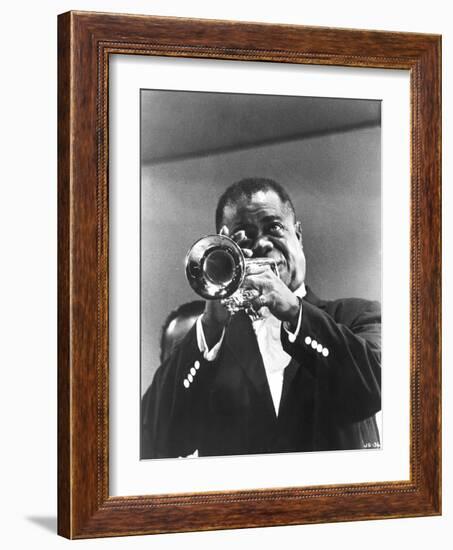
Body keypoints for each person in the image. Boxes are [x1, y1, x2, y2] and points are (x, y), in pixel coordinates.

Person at [145, 177, 381, 459]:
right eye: (244, 234)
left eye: (274, 227)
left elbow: (376, 387)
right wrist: (210, 325)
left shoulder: (356, 316)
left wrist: (294, 311)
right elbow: (152, 439)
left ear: (299, 236)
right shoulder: (211, 344)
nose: (263, 244)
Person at [141, 301, 205, 459]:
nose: (194, 359)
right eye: (180, 354)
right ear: (163, 362)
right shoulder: (145, 421)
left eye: (205, 347)